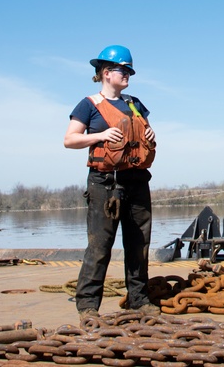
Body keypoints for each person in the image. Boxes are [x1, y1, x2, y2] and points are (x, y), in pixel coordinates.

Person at [64, 44, 159, 321]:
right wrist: (100, 136)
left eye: (129, 70)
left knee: (139, 244)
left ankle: (139, 300)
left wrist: (151, 137)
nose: (128, 73)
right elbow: (70, 140)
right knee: (99, 246)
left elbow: (146, 133)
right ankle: (88, 307)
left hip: (137, 181)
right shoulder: (88, 105)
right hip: (105, 184)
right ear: (107, 73)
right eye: (123, 69)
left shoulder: (135, 103)